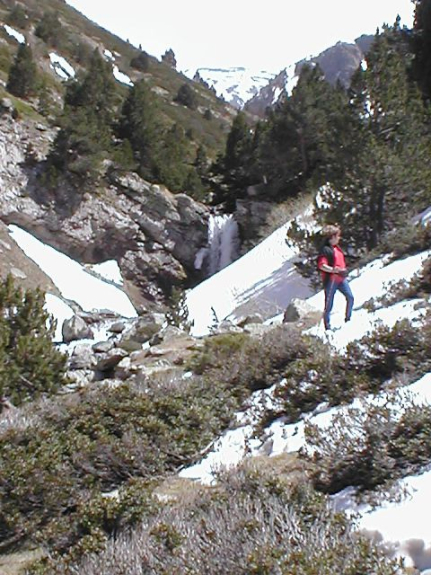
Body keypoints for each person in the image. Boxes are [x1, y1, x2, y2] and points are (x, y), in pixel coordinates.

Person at [317, 224, 354, 331]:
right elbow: (322, 265)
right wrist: (334, 270)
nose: (339, 238)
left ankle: (348, 319)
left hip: (341, 279)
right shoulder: (325, 250)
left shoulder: (336, 248)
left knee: (350, 297)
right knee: (329, 304)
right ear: (332, 237)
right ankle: (327, 326)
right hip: (331, 280)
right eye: (337, 236)